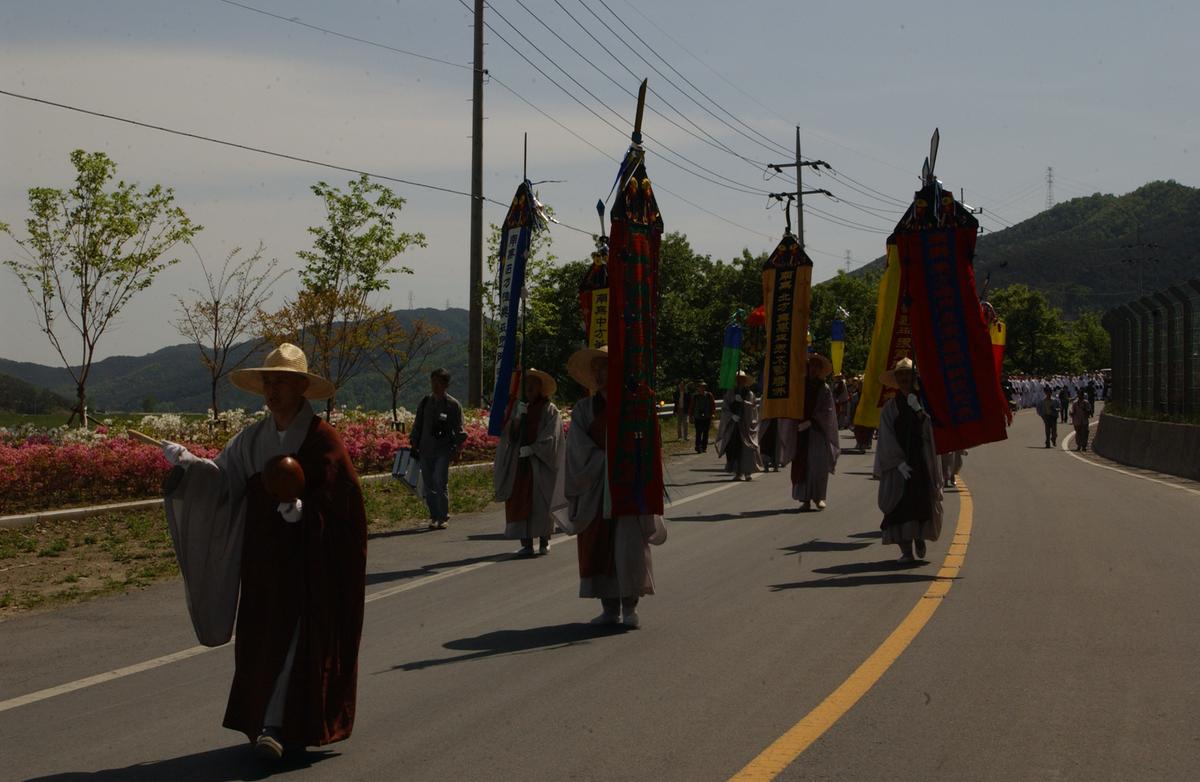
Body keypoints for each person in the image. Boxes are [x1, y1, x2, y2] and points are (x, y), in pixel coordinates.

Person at [161, 343, 366, 761]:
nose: (272, 391)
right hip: (263, 562)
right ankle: (265, 721)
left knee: (295, 638)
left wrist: (304, 511)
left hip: (308, 563)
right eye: (268, 382)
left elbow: (346, 509)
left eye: (282, 383)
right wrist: (191, 465)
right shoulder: (252, 439)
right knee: (261, 639)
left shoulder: (323, 440)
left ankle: (275, 726)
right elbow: (224, 481)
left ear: (301, 388)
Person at [561, 346, 663, 628]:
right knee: (598, 544)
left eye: (604, 367)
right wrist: (605, 459)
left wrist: (627, 458)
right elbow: (577, 448)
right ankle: (609, 607)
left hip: (627, 484)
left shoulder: (635, 404)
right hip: (595, 486)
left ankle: (630, 606)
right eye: (595, 369)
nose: (599, 374)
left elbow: (649, 443)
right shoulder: (584, 409)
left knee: (629, 544)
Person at [876, 358, 942, 564]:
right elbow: (886, 436)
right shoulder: (891, 407)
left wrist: (920, 411)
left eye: (908, 374)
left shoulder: (924, 402)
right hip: (899, 465)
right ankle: (905, 550)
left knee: (921, 502)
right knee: (898, 507)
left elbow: (933, 430)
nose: (905, 378)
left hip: (921, 459)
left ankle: (919, 537)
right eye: (901, 375)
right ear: (896, 379)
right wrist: (898, 462)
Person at [494, 369, 565, 557]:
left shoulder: (549, 410)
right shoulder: (518, 408)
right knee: (519, 500)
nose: (530, 389)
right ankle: (526, 543)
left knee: (540, 502)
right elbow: (509, 435)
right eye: (527, 385)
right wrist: (517, 419)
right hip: (519, 464)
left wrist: (534, 449)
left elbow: (553, 436)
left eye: (534, 385)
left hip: (540, 464)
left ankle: (544, 540)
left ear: (541, 388)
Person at [411, 367, 466, 529]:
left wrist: (458, 449)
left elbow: (459, 430)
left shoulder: (453, 405)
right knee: (428, 484)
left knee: (439, 481)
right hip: (425, 449)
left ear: (446, 384)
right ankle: (434, 516)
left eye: (439, 382)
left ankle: (443, 516)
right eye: (433, 381)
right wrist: (414, 442)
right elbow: (418, 424)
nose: (435, 385)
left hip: (443, 449)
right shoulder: (425, 402)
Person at [787, 353, 840, 511]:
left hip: (817, 431)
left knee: (817, 465)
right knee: (801, 464)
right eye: (812, 365)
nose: (814, 369)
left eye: (817, 366)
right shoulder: (799, 385)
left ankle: (819, 497)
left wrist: (812, 421)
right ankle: (805, 499)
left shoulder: (824, 388)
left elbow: (828, 410)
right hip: (800, 430)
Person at [716, 370, 763, 480]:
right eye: (737, 380)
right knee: (733, 448)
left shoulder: (749, 394)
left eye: (742, 379)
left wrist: (743, 402)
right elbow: (725, 408)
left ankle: (748, 472)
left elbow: (753, 408)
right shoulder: (730, 393)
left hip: (745, 425)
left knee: (747, 449)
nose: (739, 382)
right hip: (734, 426)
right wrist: (732, 416)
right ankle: (737, 472)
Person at [691, 381, 716, 453]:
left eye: (703, 387)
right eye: (700, 387)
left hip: (707, 416)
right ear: (698, 388)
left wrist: (713, 413)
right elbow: (691, 406)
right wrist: (691, 415)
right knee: (698, 432)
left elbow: (713, 405)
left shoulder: (709, 395)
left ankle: (704, 447)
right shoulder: (695, 396)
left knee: (706, 432)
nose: (702, 388)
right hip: (697, 417)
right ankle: (698, 446)